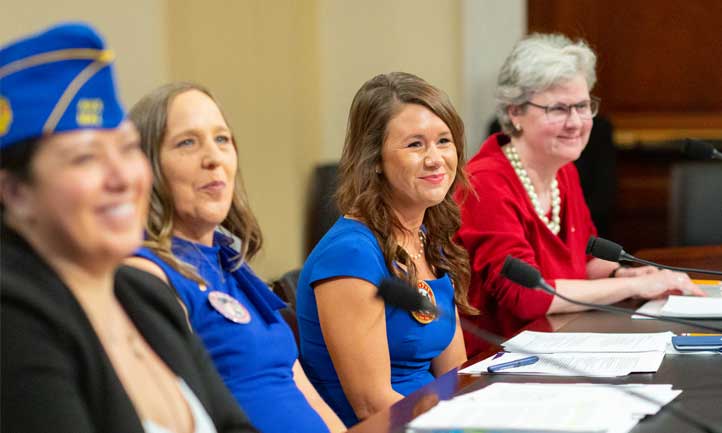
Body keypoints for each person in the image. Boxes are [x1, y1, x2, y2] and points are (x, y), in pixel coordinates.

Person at [0, 23, 257, 433]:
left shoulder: (144, 294)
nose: (123, 179)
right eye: (85, 158)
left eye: (126, 149)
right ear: (15, 192)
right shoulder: (13, 319)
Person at [455, 33, 704, 356]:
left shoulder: (562, 168)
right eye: (558, 109)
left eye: (583, 106)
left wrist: (625, 271)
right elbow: (526, 295)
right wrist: (633, 286)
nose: (575, 122)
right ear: (515, 112)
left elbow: (581, 260)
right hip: (497, 361)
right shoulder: (485, 182)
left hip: (558, 342)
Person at [125, 82, 345, 433]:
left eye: (222, 139)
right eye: (187, 142)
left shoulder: (232, 267)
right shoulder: (146, 275)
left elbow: (305, 395)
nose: (213, 158)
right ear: (146, 168)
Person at [296, 72, 477, 427]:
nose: (436, 158)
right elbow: (373, 405)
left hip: (438, 418)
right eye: (415, 145)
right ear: (374, 158)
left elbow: (454, 373)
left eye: (444, 141)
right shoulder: (350, 254)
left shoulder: (428, 238)